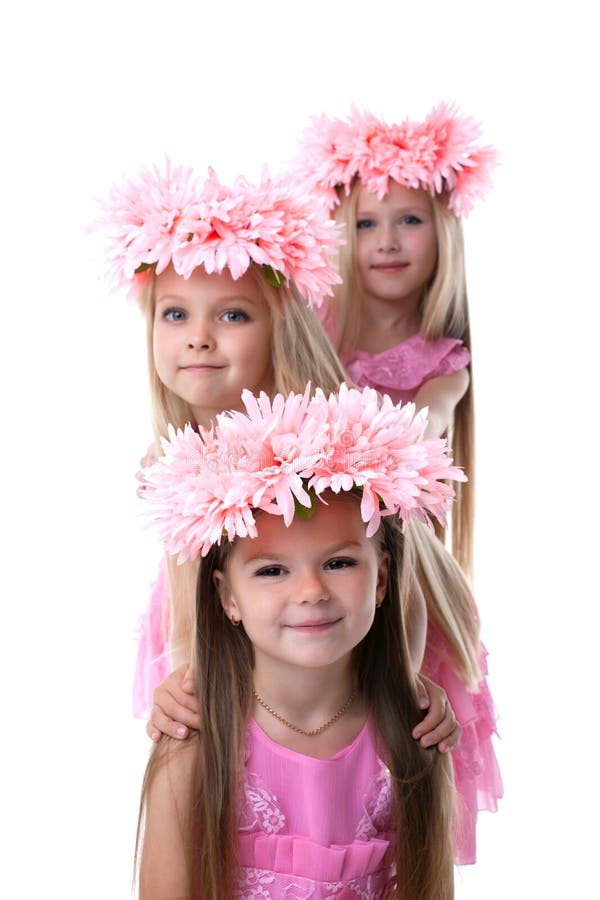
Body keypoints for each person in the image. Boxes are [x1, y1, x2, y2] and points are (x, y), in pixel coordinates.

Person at [94, 161, 460, 752]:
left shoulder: (323, 450)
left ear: (280, 326)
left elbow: (406, 582)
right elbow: (192, 591)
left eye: (232, 314)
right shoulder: (178, 454)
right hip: (237, 651)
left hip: (339, 665)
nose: (199, 337)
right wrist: (183, 680)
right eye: (175, 313)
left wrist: (398, 690)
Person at [137, 384, 459, 900]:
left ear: (381, 581)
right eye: (271, 570)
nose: (310, 592)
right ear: (228, 598)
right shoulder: (197, 746)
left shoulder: (411, 738)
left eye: (339, 563)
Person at [292, 103, 503, 863]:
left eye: (409, 220)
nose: (386, 242)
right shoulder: (303, 336)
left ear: (442, 233)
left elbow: (424, 437)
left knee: (383, 805)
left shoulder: (443, 368)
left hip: (398, 585)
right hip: (313, 576)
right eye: (365, 223)